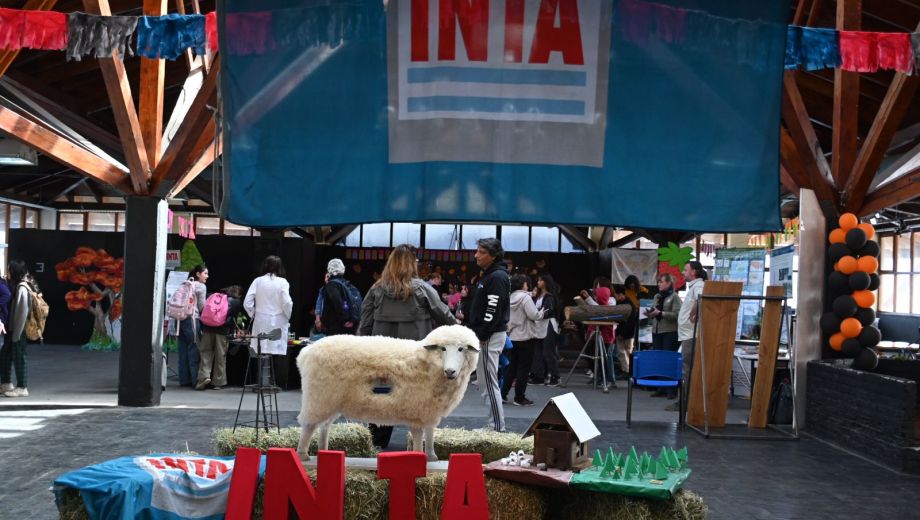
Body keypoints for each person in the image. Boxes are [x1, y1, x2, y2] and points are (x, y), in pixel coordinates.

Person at [358, 244, 457, 447]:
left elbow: (365, 325)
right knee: (419, 403)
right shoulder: (424, 290)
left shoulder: (376, 290)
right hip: (416, 360)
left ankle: (376, 447)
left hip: (381, 358)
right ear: (413, 264)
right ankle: (419, 446)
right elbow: (447, 318)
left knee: (381, 403)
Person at [467, 238, 510, 432]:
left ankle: (497, 426)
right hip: (487, 335)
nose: (476, 255)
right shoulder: (491, 275)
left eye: (481, 252)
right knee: (485, 381)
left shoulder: (497, 277)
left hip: (489, 336)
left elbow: (493, 308)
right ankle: (495, 424)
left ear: (492, 255)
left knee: (488, 381)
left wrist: (483, 334)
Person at [668, 261, 707, 412]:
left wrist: (693, 312)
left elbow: (701, 299)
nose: (683, 273)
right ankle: (685, 402)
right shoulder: (694, 286)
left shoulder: (698, 285)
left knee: (687, 369)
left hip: (691, 335)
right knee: (686, 368)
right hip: (687, 334)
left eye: (686, 270)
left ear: (694, 272)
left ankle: (685, 403)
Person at [502, 274, 543, 406]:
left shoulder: (510, 297)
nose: (528, 284)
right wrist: (542, 312)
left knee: (511, 368)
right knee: (523, 369)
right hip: (525, 336)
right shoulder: (526, 298)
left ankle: (502, 394)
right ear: (523, 284)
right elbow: (534, 315)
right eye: (526, 283)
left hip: (512, 336)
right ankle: (519, 397)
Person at [244, 256, 294, 361]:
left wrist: (254, 314)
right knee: (274, 355)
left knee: (260, 350)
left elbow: (247, 303)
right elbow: (287, 302)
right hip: (278, 322)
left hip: (260, 321)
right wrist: (286, 316)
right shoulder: (283, 282)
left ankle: (261, 377)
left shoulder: (257, 281)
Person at [197, 285, 243, 390]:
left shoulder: (213, 296)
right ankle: (218, 382)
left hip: (208, 328)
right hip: (222, 331)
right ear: (238, 294)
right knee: (220, 356)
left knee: (205, 353)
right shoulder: (235, 302)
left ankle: (203, 377)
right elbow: (233, 319)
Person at [1, 261, 34, 397]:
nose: (7, 274)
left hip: (18, 330)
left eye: (9, 271)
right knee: (5, 355)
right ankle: (6, 384)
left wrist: (17, 334)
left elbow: (22, 313)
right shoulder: (16, 286)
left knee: (20, 357)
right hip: (13, 329)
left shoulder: (22, 288)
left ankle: (22, 387)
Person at [648, 273, 682, 397]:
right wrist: (650, 313)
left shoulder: (674, 297)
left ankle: (671, 389)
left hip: (670, 332)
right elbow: (655, 310)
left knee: (668, 359)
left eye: (661, 282)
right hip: (657, 330)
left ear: (668, 283)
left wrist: (661, 313)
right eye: (658, 282)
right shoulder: (657, 296)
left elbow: (678, 315)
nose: (659, 284)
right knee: (659, 359)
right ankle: (661, 387)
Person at [581, 277, 616, 387]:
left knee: (606, 357)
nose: (596, 290)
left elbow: (600, 310)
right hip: (597, 331)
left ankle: (609, 379)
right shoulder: (599, 300)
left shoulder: (611, 300)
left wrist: (588, 299)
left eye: (598, 287)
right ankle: (598, 377)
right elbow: (597, 308)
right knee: (597, 356)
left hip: (607, 334)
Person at [177, 265, 208, 388]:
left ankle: (184, 380)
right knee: (194, 348)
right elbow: (201, 306)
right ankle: (196, 380)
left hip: (180, 319)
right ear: (198, 274)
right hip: (192, 318)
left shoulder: (185, 284)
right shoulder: (201, 286)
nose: (207, 276)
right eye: (205, 273)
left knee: (183, 349)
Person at [530, 273, 561, 387]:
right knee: (537, 351)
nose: (538, 282)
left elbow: (548, 310)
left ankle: (555, 376)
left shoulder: (549, 296)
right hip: (538, 324)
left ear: (546, 282)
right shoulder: (537, 295)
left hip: (548, 324)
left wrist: (538, 313)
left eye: (540, 280)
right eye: (538, 280)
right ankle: (539, 376)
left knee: (548, 351)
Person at [320, 259, 358, 336]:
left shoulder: (332, 285)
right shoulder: (347, 284)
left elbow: (337, 301)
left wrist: (344, 320)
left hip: (336, 327)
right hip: (349, 327)